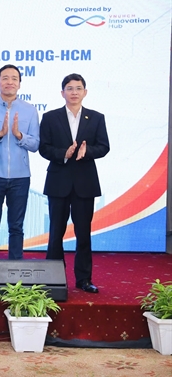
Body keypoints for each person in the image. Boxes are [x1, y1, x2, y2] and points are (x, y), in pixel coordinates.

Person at [39, 74, 110, 293]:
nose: (74, 92)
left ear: (85, 92)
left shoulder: (96, 118)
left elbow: (104, 146)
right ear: (62, 93)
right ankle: (53, 279)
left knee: (83, 233)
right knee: (55, 233)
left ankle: (84, 279)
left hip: (85, 183)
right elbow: (44, 148)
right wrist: (64, 153)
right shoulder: (50, 117)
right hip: (58, 182)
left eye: (78, 88)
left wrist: (87, 152)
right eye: (69, 88)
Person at [0, 64, 40, 270]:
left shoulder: (30, 110)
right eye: (5, 78)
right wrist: (0, 135)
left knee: (16, 227)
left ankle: (15, 271)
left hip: (20, 177)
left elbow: (35, 144)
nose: (9, 82)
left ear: (20, 83)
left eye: (14, 78)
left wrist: (20, 136)